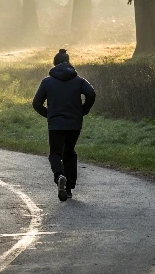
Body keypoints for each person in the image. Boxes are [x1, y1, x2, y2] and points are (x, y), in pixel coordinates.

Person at [32, 49, 96, 201]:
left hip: (56, 124)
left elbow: (36, 103)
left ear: (54, 64)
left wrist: (49, 115)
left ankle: (60, 175)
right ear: (69, 62)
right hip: (74, 123)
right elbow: (91, 94)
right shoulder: (79, 80)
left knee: (55, 153)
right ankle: (69, 189)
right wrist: (83, 110)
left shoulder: (47, 81)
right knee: (69, 152)